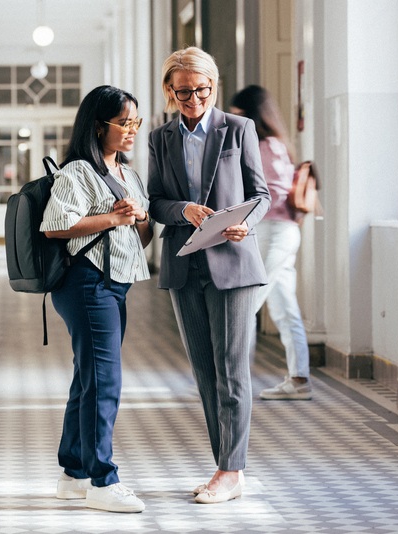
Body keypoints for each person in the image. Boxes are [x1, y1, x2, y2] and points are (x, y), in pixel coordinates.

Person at [146, 47, 270, 504]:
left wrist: (245, 224)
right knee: (204, 370)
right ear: (169, 91)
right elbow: (156, 200)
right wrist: (184, 210)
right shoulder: (160, 139)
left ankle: (230, 469)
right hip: (184, 263)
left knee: (232, 369)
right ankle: (228, 468)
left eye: (201, 90)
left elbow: (261, 194)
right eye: (183, 92)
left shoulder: (239, 129)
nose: (193, 99)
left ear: (213, 86)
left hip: (233, 263)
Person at [40, 85, 154, 513]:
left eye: (134, 123)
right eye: (123, 123)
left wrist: (139, 218)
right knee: (105, 381)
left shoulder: (128, 173)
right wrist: (114, 216)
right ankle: (103, 481)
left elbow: (139, 237)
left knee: (89, 377)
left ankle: (74, 473)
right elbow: (55, 225)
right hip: (87, 284)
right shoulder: (77, 173)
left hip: (115, 283)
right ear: (97, 124)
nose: (131, 131)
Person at [230, 85, 313, 401]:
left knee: (245, 304)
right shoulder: (273, 144)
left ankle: (236, 382)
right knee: (283, 306)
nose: (234, 120)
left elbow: (274, 192)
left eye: (239, 114)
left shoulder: (267, 146)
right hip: (277, 231)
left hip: (275, 231)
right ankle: (299, 378)